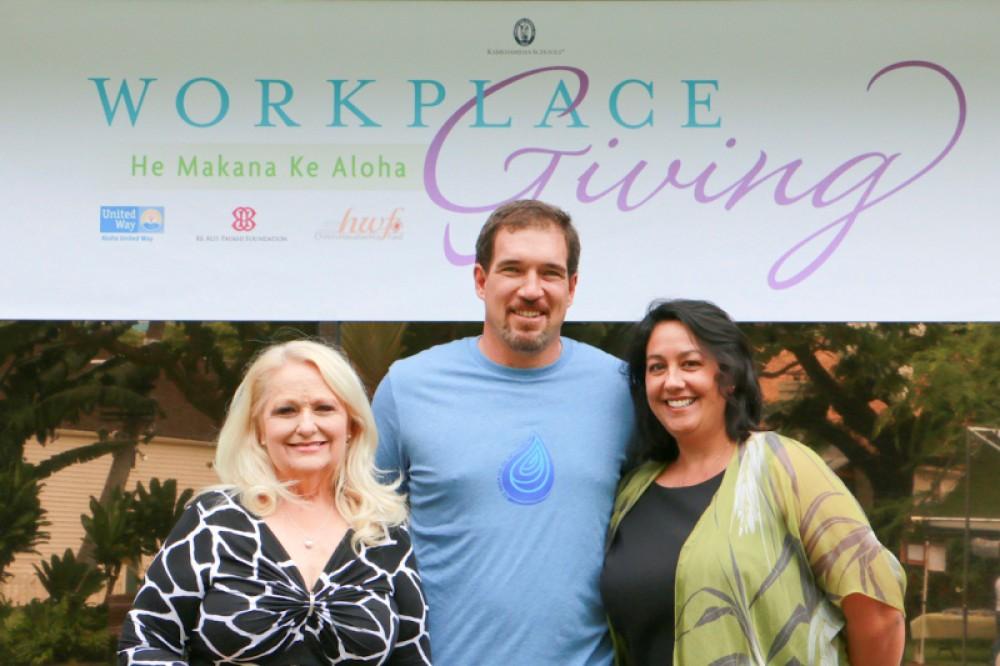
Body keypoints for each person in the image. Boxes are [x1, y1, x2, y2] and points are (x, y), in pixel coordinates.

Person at [373, 200, 634, 665]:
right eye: (512, 269)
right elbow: (362, 537)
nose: (531, 290)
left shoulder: (621, 390)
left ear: (572, 287)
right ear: (480, 280)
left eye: (550, 273)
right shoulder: (408, 388)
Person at [600, 299, 906, 665]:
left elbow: (879, 615)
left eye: (690, 363)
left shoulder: (783, 468)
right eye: (656, 368)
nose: (672, 381)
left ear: (728, 377)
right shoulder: (632, 493)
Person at [118, 340, 431, 665]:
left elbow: (413, 657)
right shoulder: (213, 521)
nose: (306, 426)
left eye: (324, 408)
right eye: (286, 410)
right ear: (259, 429)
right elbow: (145, 641)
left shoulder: (383, 532)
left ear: (351, 425)